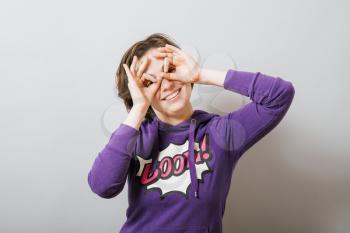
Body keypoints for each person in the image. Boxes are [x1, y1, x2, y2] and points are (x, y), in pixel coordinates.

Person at [87, 33, 295, 233]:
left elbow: (279, 95)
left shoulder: (222, 134)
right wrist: (139, 108)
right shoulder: (134, 137)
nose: (166, 84)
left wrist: (200, 74)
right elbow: (102, 186)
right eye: (150, 83)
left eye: (170, 70)